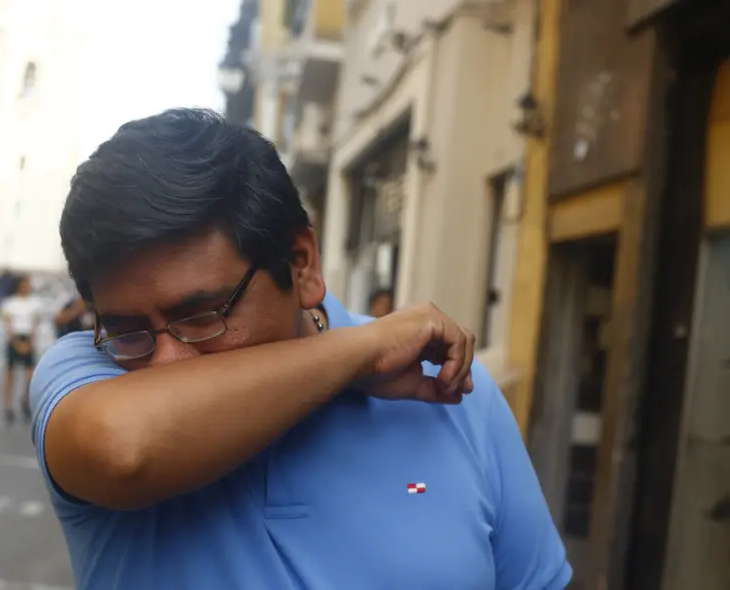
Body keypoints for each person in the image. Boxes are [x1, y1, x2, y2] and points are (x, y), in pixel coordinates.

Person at [29, 109, 571, 590]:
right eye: (128, 329)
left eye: (202, 316)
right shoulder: (87, 373)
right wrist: (357, 356)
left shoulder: (457, 398)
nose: (163, 364)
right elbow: (121, 449)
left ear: (302, 263)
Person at [1, 275, 41, 425]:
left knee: (30, 375)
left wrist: (30, 342)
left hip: (28, 338)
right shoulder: (9, 303)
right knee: (10, 374)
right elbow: (8, 326)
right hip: (14, 339)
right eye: (26, 284)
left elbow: (35, 324)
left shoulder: (34, 304)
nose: (28, 287)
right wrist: (17, 343)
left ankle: (25, 399)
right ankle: (8, 406)